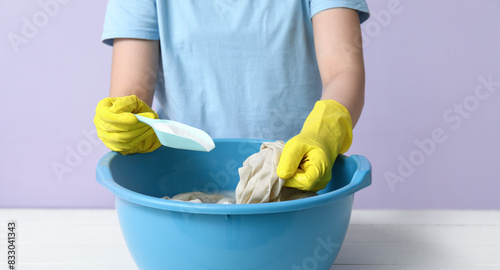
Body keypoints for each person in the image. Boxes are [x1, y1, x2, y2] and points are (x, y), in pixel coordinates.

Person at [94, 0, 369, 192]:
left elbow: (342, 71)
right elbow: (133, 93)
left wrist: (325, 130)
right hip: (179, 185)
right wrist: (127, 121)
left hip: (294, 180)